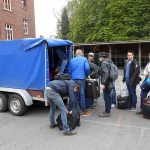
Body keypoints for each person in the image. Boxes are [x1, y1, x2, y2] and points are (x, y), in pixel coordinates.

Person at [69, 49, 91, 116]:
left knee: (75, 95)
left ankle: (75, 111)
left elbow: (69, 70)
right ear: (81, 53)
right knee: (82, 95)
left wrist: (72, 76)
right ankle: (84, 112)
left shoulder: (72, 60)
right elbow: (87, 68)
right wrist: (86, 75)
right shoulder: (84, 59)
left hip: (73, 79)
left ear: (76, 54)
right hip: (81, 79)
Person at [98, 52, 113, 117]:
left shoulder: (104, 63)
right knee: (108, 96)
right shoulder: (109, 61)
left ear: (102, 57)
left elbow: (105, 73)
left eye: (99, 57)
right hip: (110, 81)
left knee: (106, 97)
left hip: (106, 82)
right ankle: (108, 109)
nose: (99, 59)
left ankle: (107, 111)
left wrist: (103, 83)